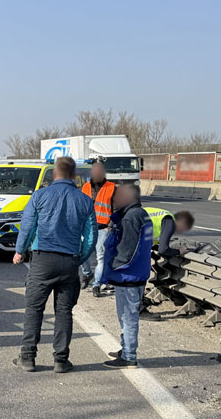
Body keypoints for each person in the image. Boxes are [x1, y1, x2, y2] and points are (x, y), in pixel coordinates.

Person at [13, 157, 97, 374]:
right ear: (74, 176)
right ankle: (60, 360)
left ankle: (28, 357)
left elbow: (28, 225)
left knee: (34, 308)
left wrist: (20, 250)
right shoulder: (85, 200)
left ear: (55, 174)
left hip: (42, 260)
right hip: (69, 260)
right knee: (64, 311)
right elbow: (91, 237)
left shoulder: (40, 195)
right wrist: (79, 259)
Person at [101, 185, 153, 369]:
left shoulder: (131, 217)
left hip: (128, 275)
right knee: (126, 316)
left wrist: (114, 265)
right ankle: (126, 349)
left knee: (127, 317)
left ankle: (129, 355)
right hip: (135, 273)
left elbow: (128, 248)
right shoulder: (140, 214)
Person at [80, 162, 115, 297]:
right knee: (82, 255)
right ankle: (88, 274)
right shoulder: (85, 187)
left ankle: (96, 284)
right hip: (86, 227)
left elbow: (116, 209)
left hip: (103, 228)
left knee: (101, 257)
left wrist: (109, 226)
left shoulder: (111, 188)